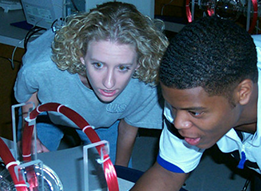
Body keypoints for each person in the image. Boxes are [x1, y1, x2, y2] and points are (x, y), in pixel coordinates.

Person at [14, 1, 168, 167]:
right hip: (46, 113)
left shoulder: (147, 83)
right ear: (81, 55)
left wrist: (119, 174)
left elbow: (128, 129)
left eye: (123, 68)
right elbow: (30, 94)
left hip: (104, 122)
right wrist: (29, 136)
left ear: (138, 62)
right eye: (98, 65)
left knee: (116, 179)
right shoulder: (43, 67)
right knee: (27, 172)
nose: (109, 83)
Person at [123, 16, 261, 191]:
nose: (178, 123)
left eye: (195, 112)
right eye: (172, 107)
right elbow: (168, 174)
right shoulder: (184, 94)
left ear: (243, 92)